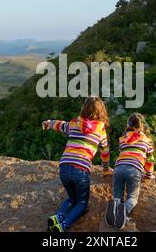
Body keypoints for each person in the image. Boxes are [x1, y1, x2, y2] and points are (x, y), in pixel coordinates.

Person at [42, 97, 111, 232]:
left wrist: (48, 123)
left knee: (72, 198)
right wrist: (106, 169)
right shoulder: (100, 129)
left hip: (64, 166)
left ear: (84, 109)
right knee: (82, 203)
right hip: (81, 170)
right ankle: (62, 226)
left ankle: (57, 216)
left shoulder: (74, 123)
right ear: (101, 111)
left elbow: (60, 125)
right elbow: (105, 151)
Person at [105, 112, 155, 230]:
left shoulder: (123, 139)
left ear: (128, 124)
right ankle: (124, 209)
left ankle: (116, 204)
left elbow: (122, 152)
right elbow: (150, 160)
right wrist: (149, 174)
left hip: (118, 168)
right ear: (142, 125)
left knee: (117, 195)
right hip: (134, 169)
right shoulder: (148, 141)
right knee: (132, 197)